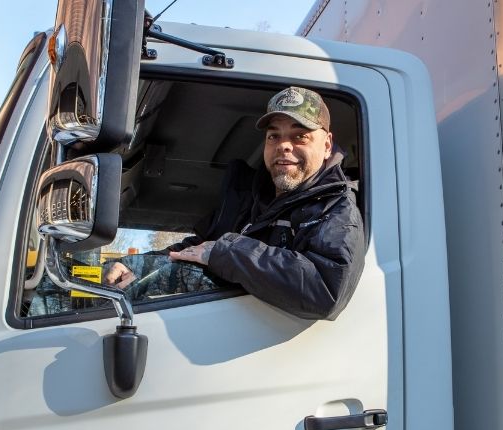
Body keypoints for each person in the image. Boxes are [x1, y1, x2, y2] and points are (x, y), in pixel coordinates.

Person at [102, 86, 366, 321]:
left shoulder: (336, 208)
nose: (284, 145)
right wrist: (134, 264)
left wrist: (229, 252)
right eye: (274, 136)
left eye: (300, 137)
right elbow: (200, 247)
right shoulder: (250, 199)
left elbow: (326, 289)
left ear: (327, 144)